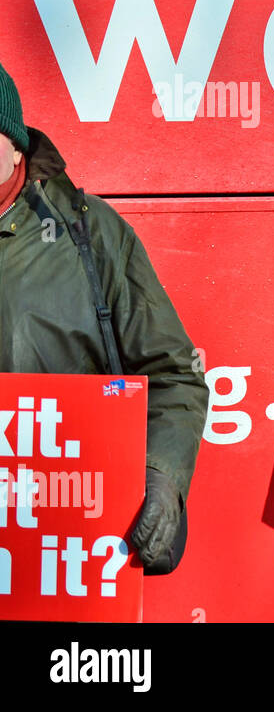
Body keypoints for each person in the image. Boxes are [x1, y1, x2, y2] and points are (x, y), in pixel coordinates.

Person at [0, 61, 207, 573]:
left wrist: (160, 476)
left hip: (57, 548)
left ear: (13, 142)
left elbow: (173, 375)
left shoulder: (89, 235)